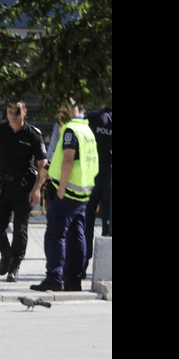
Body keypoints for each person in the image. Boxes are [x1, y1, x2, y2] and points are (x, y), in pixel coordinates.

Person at [0, 100, 47, 283]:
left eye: (16, 111)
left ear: (24, 111)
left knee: (20, 228)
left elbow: (42, 164)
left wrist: (38, 188)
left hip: (24, 187)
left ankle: (15, 264)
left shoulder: (33, 134)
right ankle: (5, 253)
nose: (12, 115)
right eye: (9, 111)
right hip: (1, 186)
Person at [31, 104, 98, 292]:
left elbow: (68, 159)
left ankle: (54, 277)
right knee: (77, 235)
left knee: (55, 235)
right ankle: (73, 280)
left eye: (59, 112)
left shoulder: (70, 130)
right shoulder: (87, 130)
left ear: (66, 111)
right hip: (82, 192)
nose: (57, 118)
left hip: (66, 192)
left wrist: (60, 189)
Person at [83, 102, 112, 274]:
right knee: (108, 221)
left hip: (91, 172)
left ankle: (82, 264)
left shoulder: (92, 118)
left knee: (87, 219)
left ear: (103, 104)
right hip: (110, 176)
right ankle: (106, 266)